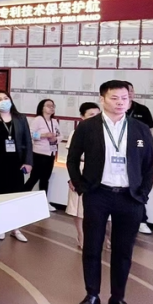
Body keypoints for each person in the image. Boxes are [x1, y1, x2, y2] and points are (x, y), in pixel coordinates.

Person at [68, 80, 153, 304]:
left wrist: (142, 194)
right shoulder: (88, 127)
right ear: (102, 99)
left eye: (124, 98)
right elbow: (72, 159)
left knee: (123, 250)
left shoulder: (140, 129)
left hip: (130, 197)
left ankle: (118, 298)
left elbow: (149, 165)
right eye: (114, 98)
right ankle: (92, 295)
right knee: (92, 247)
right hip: (98, 194)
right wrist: (82, 186)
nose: (120, 103)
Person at [0, 91, 33, 242]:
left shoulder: (20, 118)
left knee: (15, 196)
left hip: (17, 163)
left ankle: (15, 228)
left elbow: (28, 141)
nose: (3, 101)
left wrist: (28, 162)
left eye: (6, 98)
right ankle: (0, 227)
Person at [67, 102, 102, 249]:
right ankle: (81, 236)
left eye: (98, 114)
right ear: (82, 117)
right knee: (79, 209)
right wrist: (73, 178)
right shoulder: (77, 132)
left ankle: (104, 237)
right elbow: (72, 158)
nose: (95, 118)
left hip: (99, 174)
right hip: (81, 172)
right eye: (91, 115)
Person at [125, 82, 153, 236]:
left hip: (138, 153)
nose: (129, 93)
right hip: (118, 154)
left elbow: (148, 133)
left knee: (138, 186)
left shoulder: (142, 110)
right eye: (126, 91)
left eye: (131, 90)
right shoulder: (115, 110)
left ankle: (142, 220)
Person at [26, 98, 62, 212]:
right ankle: (21, 198)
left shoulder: (54, 121)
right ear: (42, 108)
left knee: (45, 179)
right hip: (39, 153)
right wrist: (43, 135)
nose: (51, 107)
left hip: (51, 153)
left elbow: (60, 136)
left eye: (53, 106)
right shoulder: (38, 120)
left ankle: (44, 201)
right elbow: (30, 134)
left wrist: (55, 139)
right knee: (34, 178)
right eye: (48, 105)